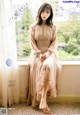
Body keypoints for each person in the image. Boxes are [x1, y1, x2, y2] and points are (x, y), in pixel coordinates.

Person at [27, 2, 61, 114]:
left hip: (50, 54)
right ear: (39, 12)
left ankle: (43, 100)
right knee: (40, 65)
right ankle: (42, 101)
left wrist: (48, 53)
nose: (44, 14)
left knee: (48, 65)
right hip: (37, 54)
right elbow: (32, 43)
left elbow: (55, 42)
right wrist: (39, 54)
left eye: (47, 12)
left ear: (50, 13)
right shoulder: (33, 27)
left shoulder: (53, 27)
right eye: (43, 11)